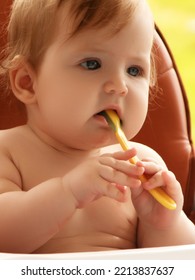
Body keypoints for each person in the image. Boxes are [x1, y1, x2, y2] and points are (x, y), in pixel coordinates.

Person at [0, 0, 194, 254]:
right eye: (92, 64)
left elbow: (181, 262)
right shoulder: (9, 152)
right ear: (28, 83)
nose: (119, 85)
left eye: (134, 70)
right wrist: (68, 192)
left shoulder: (140, 166)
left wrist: (164, 222)